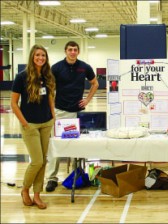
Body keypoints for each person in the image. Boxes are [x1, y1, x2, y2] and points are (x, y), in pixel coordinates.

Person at [45, 41, 99, 192]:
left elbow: (95, 84)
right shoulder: (56, 68)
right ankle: (51, 178)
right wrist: (51, 110)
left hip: (77, 112)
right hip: (59, 111)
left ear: (78, 52)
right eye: (70, 49)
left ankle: (78, 174)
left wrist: (87, 99)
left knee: (77, 146)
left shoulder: (84, 67)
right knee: (55, 145)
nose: (73, 52)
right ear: (65, 51)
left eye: (75, 49)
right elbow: (48, 88)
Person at [11, 44, 56, 209]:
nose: (40, 58)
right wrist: (25, 124)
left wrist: (53, 118)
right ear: (32, 57)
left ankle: (37, 195)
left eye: (43, 55)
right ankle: (25, 189)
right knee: (36, 161)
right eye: (37, 55)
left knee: (43, 161)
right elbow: (14, 104)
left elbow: (50, 99)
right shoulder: (21, 77)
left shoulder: (48, 76)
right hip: (30, 125)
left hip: (46, 123)